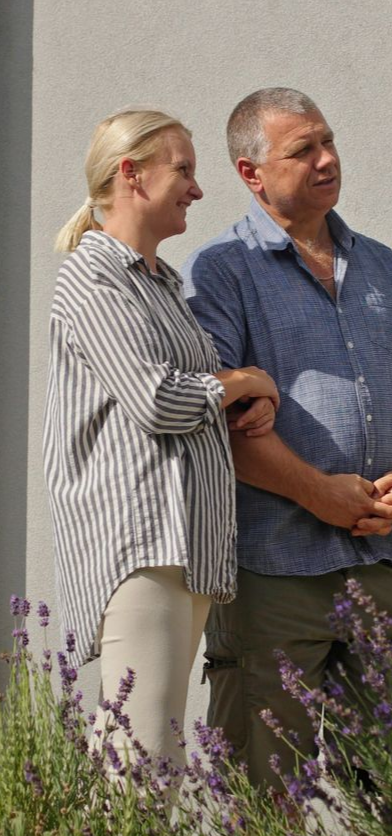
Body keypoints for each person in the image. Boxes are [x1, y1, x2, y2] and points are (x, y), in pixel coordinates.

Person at [182, 87, 392, 787]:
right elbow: (217, 421)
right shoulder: (221, 272)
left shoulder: (380, 265)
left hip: (382, 557)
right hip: (272, 568)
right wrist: (319, 493)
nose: (327, 159)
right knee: (266, 787)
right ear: (251, 173)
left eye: (328, 141)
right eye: (304, 150)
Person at [44, 109, 280, 772]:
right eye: (184, 170)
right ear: (131, 174)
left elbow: (196, 388)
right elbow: (159, 399)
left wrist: (244, 395)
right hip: (138, 543)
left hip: (183, 544)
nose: (196, 189)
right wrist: (243, 381)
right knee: (140, 761)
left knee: (152, 757)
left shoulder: (162, 285)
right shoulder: (92, 278)